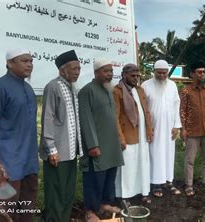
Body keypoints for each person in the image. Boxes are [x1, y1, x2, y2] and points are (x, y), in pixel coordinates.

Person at [0, 49, 39, 222]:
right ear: (9, 63)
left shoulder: (28, 89)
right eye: (24, 61)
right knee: (2, 209)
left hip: (29, 161)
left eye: (30, 61)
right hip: (7, 162)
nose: (29, 64)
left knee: (27, 206)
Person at [40, 50, 83, 222]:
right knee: (56, 191)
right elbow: (48, 119)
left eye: (79, 68)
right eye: (74, 68)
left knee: (67, 191)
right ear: (62, 70)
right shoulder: (53, 87)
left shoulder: (73, 88)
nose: (77, 71)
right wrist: (51, 149)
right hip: (57, 151)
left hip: (71, 150)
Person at [78, 59, 124, 222]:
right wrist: (92, 145)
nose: (110, 74)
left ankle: (104, 203)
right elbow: (86, 119)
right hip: (96, 145)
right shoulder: (87, 91)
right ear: (96, 72)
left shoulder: (108, 90)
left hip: (111, 145)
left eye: (111, 71)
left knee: (109, 175)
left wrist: (119, 138)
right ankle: (90, 210)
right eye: (106, 71)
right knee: (94, 178)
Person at [113, 63, 154, 204]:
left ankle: (143, 192)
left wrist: (149, 129)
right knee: (128, 166)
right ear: (124, 75)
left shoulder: (140, 90)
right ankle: (125, 196)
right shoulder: (117, 91)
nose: (135, 78)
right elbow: (115, 117)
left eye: (137, 75)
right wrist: (120, 138)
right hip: (127, 135)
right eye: (132, 75)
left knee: (143, 163)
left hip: (142, 135)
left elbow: (146, 112)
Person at [141, 60, 182, 197]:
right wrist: (147, 127)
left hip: (169, 127)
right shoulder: (145, 85)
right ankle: (155, 184)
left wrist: (176, 125)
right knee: (154, 154)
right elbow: (142, 108)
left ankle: (168, 182)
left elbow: (176, 105)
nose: (163, 76)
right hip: (153, 128)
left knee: (168, 154)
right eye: (159, 73)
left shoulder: (172, 85)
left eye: (165, 73)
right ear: (154, 71)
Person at [180, 61, 205, 196]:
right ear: (192, 74)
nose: (202, 74)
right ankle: (189, 185)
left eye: (203, 72)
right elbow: (182, 111)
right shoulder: (186, 91)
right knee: (190, 159)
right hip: (192, 131)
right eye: (199, 72)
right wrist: (183, 129)